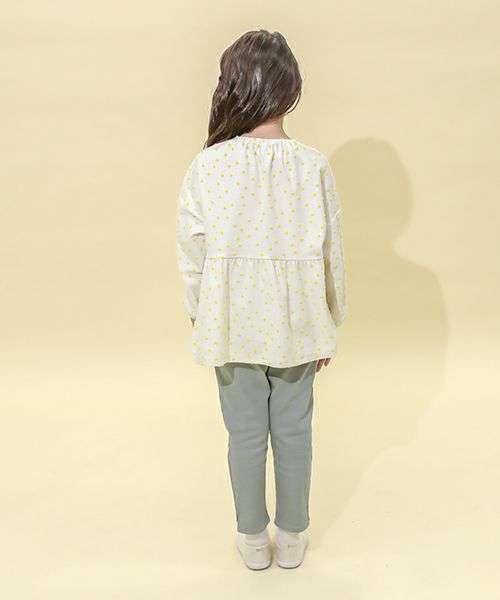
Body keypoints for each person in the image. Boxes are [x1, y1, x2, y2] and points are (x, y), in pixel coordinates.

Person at [175, 29, 348, 570]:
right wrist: (329, 319)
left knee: (245, 436)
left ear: (232, 87)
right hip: (297, 324)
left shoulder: (208, 166)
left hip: (232, 324)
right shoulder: (313, 165)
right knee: (295, 433)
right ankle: (292, 537)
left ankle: (252, 538)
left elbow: (192, 253)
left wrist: (202, 315)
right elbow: (331, 251)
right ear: (290, 89)